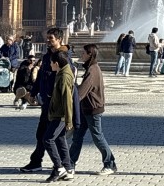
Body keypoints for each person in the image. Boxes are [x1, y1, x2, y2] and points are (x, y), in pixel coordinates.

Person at [20, 27, 71, 173]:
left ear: (59, 39)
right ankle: (37, 162)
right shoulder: (47, 56)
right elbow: (41, 76)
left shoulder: (64, 56)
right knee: (42, 133)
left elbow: (67, 82)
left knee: (55, 137)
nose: (47, 41)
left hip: (55, 104)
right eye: (47, 38)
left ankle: (65, 166)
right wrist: (33, 92)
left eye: (51, 38)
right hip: (46, 103)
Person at [69, 44, 117, 176]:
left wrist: (72, 85)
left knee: (98, 137)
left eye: (84, 53)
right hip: (86, 108)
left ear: (90, 54)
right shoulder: (91, 68)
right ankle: (70, 163)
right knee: (77, 136)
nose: (81, 55)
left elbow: (81, 92)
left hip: (93, 109)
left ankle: (110, 164)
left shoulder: (92, 70)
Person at [43, 49, 75, 182]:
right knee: (60, 140)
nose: (50, 65)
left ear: (56, 63)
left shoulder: (64, 76)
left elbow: (67, 99)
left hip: (60, 115)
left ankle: (59, 168)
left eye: (51, 62)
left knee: (48, 139)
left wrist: (68, 120)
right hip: (58, 113)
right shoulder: (61, 73)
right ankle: (68, 169)